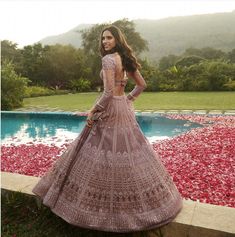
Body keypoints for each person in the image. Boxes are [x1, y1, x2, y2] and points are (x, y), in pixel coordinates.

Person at [32, 25, 183, 233]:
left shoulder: (109, 59)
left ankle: (95, 210)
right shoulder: (126, 58)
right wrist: (128, 100)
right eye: (103, 38)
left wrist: (93, 110)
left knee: (100, 154)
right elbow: (141, 85)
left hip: (111, 109)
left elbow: (108, 92)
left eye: (109, 38)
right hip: (123, 109)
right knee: (128, 153)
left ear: (117, 39)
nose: (105, 42)